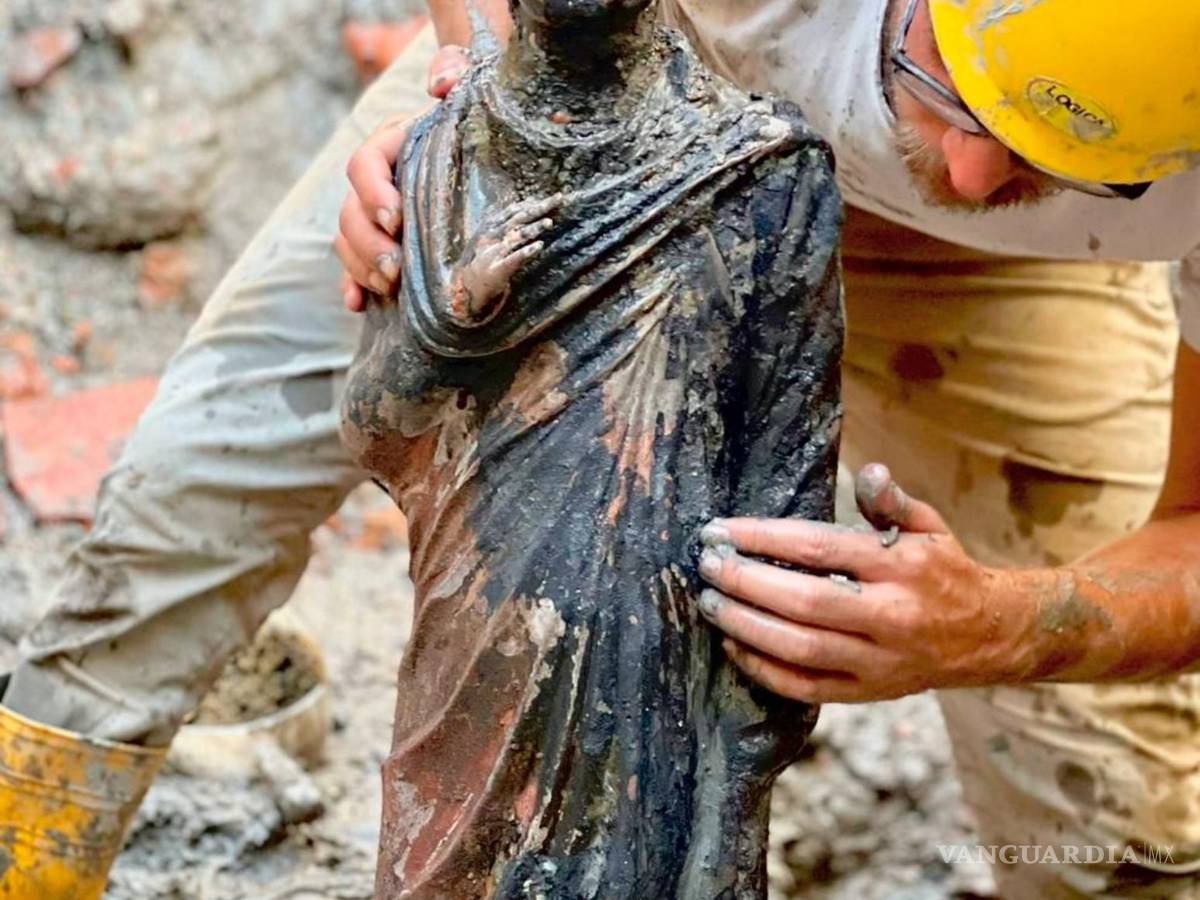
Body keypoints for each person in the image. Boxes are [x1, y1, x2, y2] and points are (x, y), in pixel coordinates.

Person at [0, 0, 1196, 897]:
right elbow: (381, 411)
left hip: (1004, 279)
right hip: (580, 124)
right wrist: (457, 121)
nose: (975, 165)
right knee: (198, 483)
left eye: (1050, 153)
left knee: (1113, 828)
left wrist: (1006, 621)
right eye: (937, 77)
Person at [342, 7, 843, 892]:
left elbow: (784, 521)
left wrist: (732, 808)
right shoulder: (438, 161)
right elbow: (377, 426)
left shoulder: (760, 173)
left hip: (654, 674)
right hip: (475, 656)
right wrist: (444, 326)